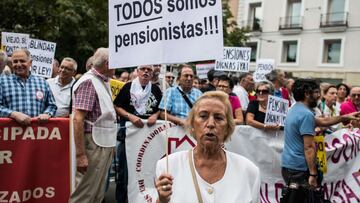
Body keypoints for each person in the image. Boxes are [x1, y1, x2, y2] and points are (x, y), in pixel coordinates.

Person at [155, 91, 261, 203]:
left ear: (228, 128)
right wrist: (161, 200)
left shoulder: (249, 171)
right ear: (192, 125)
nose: (210, 124)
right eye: (203, 116)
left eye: (219, 118)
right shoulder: (167, 166)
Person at [281, 79, 359, 192]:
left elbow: (323, 122)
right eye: (316, 92)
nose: (318, 96)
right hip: (299, 169)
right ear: (307, 94)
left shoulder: (295, 109)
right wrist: (313, 174)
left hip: (289, 165)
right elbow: (309, 147)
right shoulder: (306, 114)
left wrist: (346, 116)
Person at [69, 48, 116, 203]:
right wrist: (81, 154)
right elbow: (78, 119)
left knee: (96, 191)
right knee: (86, 192)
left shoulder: (101, 80)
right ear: (108, 64)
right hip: (94, 143)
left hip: (101, 142)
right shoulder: (89, 82)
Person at [113, 65, 162, 203]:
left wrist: (155, 115)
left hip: (148, 139)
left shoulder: (156, 89)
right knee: (124, 173)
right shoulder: (128, 87)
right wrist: (130, 116)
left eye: (149, 70)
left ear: (152, 74)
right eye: (143, 69)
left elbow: (161, 108)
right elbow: (117, 106)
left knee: (146, 170)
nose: (146, 72)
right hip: (128, 137)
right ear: (138, 72)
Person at [0, 49, 57, 124]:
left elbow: (52, 105)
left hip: (37, 133)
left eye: (22, 61)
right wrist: (13, 114)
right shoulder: (2, 81)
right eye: (15, 61)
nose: (19, 64)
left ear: (30, 63)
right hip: (11, 133)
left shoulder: (42, 82)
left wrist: (47, 114)